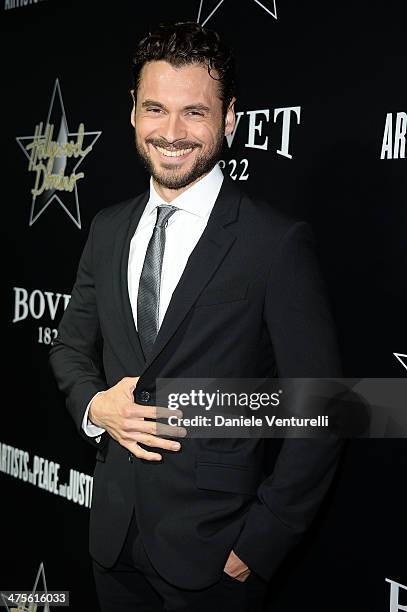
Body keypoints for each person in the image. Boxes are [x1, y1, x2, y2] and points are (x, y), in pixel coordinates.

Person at [49, 21, 343, 612]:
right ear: (133, 112)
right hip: (113, 539)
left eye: (195, 112)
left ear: (230, 119)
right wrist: (93, 405)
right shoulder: (107, 229)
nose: (172, 132)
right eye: (156, 108)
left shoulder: (273, 243)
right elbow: (68, 347)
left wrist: (263, 540)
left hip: (217, 555)